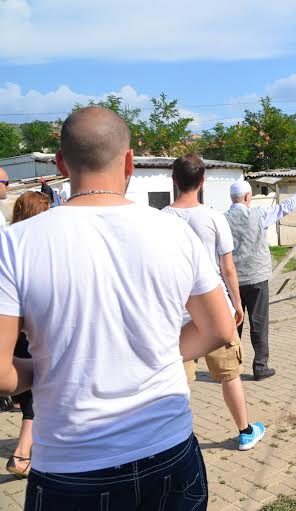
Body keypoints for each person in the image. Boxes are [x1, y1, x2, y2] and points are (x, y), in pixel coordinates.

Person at [0, 106, 234, 510]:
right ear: (129, 161)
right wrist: (159, 350)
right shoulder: (174, 232)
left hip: (71, 468)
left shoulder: (16, 244)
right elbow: (219, 328)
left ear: (60, 163)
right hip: (171, 451)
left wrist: (45, 368)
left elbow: (2, 376)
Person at [164, 153, 265, 450]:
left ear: (173, 180)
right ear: (203, 181)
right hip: (213, 308)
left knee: (178, 381)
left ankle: (175, 440)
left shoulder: (159, 219)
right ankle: (245, 431)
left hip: (177, 311)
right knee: (229, 374)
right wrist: (236, 304)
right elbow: (228, 268)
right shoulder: (213, 218)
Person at [225, 174, 296, 380]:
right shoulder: (259, 215)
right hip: (257, 278)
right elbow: (286, 207)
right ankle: (260, 367)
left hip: (232, 281)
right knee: (258, 323)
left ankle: (230, 366)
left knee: (234, 323)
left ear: (232, 198)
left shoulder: (221, 220)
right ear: (247, 197)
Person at [5, 192, 49, 478]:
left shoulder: (9, 241)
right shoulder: (38, 246)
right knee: (36, 401)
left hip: (13, 336)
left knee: (33, 400)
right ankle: (21, 455)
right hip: (28, 334)